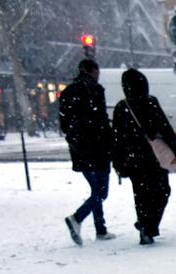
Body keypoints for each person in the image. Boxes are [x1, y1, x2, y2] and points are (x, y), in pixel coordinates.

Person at [111, 69, 176, 246]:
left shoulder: (122, 107)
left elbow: (117, 138)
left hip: (133, 159)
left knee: (141, 194)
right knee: (161, 191)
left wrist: (118, 161)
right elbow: (164, 127)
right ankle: (149, 224)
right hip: (153, 157)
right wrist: (175, 148)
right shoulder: (150, 102)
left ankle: (144, 224)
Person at [59, 58, 114, 245]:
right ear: (93, 71)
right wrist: (108, 141)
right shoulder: (95, 90)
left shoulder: (68, 93)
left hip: (79, 149)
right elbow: (100, 120)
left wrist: (75, 139)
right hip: (97, 148)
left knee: (95, 189)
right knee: (101, 191)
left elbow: (64, 124)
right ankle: (77, 218)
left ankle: (101, 228)